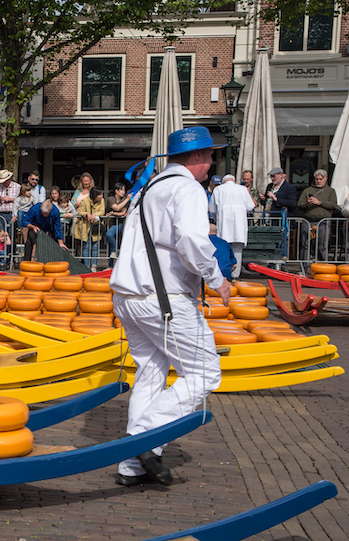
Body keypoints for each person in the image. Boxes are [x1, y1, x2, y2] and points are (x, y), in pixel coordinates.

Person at [110, 126, 229, 488]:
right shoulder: (188, 188)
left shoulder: (148, 188)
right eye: (209, 156)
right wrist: (217, 279)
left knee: (150, 372)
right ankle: (145, 439)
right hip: (163, 299)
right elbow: (193, 240)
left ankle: (131, 466)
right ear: (195, 157)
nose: (211, 163)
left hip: (128, 296)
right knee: (205, 372)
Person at [208, 173, 255, 278]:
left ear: (224, 181)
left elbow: (213, 210)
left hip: (224, 224)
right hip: (239, 225)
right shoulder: (242, 189)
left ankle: (222, 273)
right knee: (237, 250)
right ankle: (235, 276)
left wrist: (216, 220)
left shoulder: (219, 190)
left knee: (223, 248)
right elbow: (251, 206)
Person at [296, 169, 337, 262]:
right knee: (305, 245)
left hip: (324, 221)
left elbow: (333, 204)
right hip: (308, 220)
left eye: (321, 179)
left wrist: (320, 202)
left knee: (322, 245)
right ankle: (303, 267)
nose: (318, 181)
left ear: (326, 179)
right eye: (317, 179)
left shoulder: (330, 191)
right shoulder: (307, 190)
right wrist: (307, 204)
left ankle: (324, 267)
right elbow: (299, 204)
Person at [0, 169, 19, 270]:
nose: (4, 182)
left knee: (11, 237)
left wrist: (10, 199)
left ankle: (11, 258)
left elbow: (21, 200)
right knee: (1, 237)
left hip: (11, 214)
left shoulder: (17, 187)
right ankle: (3, 259)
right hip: (1, 214)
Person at [76, 186, 105, 271]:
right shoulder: (85, 201)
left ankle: (94, 265)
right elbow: (80, 211)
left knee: (95, 246)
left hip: (96, 226)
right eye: (100, 194)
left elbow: (102, 211)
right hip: (86, 226)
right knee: (86, 246)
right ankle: (87, 265)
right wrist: (87, 214)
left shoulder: (102, 201)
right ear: (95, 195)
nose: (101, 196)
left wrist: (94, 215)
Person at [105, 181, 131, 267]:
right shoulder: (110, 199)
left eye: (124, 190)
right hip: (109, 223)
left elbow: (123, 212)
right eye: (122, 190)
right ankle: (110, 266)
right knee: (110, 243)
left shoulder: (124, 200)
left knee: (109, 235)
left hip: (119, 223)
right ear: (116, 190)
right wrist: (115, 212)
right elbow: (116, 207)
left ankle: (114, 252)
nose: (123, 192)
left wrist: (113, 213)